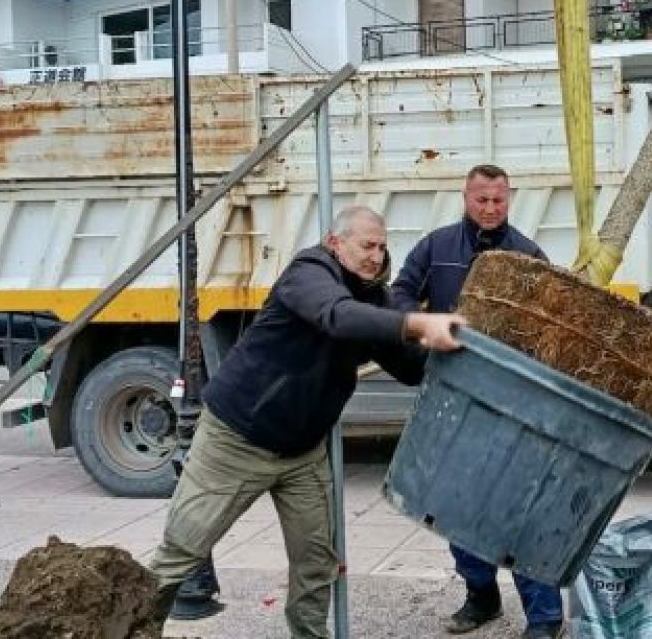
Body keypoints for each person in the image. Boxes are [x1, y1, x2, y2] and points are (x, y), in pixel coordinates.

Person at [146, 206, 464, 638]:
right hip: (236, 440)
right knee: (181, 553)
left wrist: (452, 349)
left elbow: (409, 369)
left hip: (303, 452)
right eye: (367, 245)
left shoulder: (374, 300)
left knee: (317, 565)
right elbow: (336, 316)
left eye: (383, 246)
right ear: (336, 243)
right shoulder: (308, 273)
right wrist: (415, 321)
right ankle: (128, 628)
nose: (376, 255)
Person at [393, 164, 565, 639]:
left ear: (510, 199)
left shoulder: (529, 254)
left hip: (515, 406)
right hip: (451, 397)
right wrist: (420, 325)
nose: (490, 209)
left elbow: (552, 327)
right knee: (454, 505)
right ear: (465, 197)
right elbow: (400, 294)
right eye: (481, 200)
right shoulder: (437, 247)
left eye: (498, 201)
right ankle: (481, 597)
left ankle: (545, 617)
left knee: (522, 510)